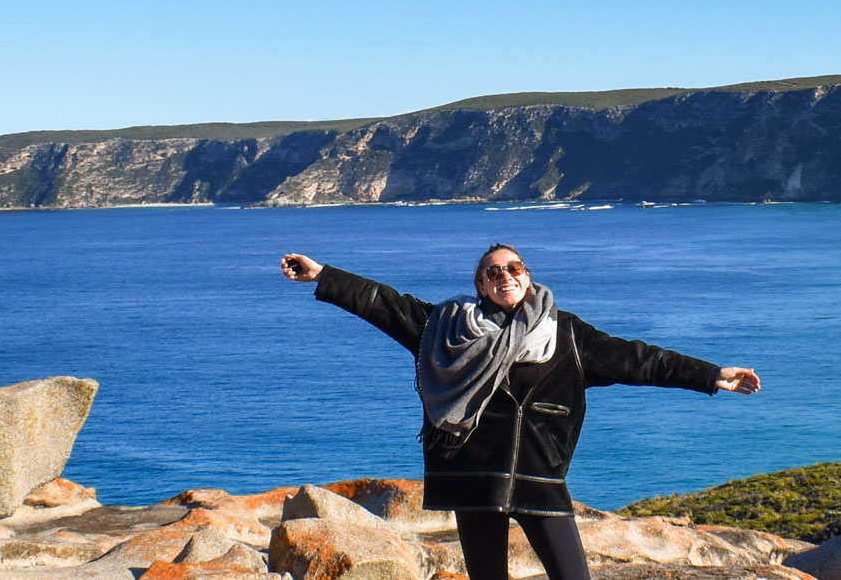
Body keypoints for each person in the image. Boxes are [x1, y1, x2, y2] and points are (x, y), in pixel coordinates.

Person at [279, 245, 761, 580]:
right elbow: (383, 304)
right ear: (480, 285)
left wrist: (712, 374)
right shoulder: (444, 328)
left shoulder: (566, 333)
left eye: (514, 268)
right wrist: (324, 275)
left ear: (527, 278)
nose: (504, 275)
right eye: (493, 271)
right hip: (474, 478)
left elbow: (640, 359)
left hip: (539, 477)